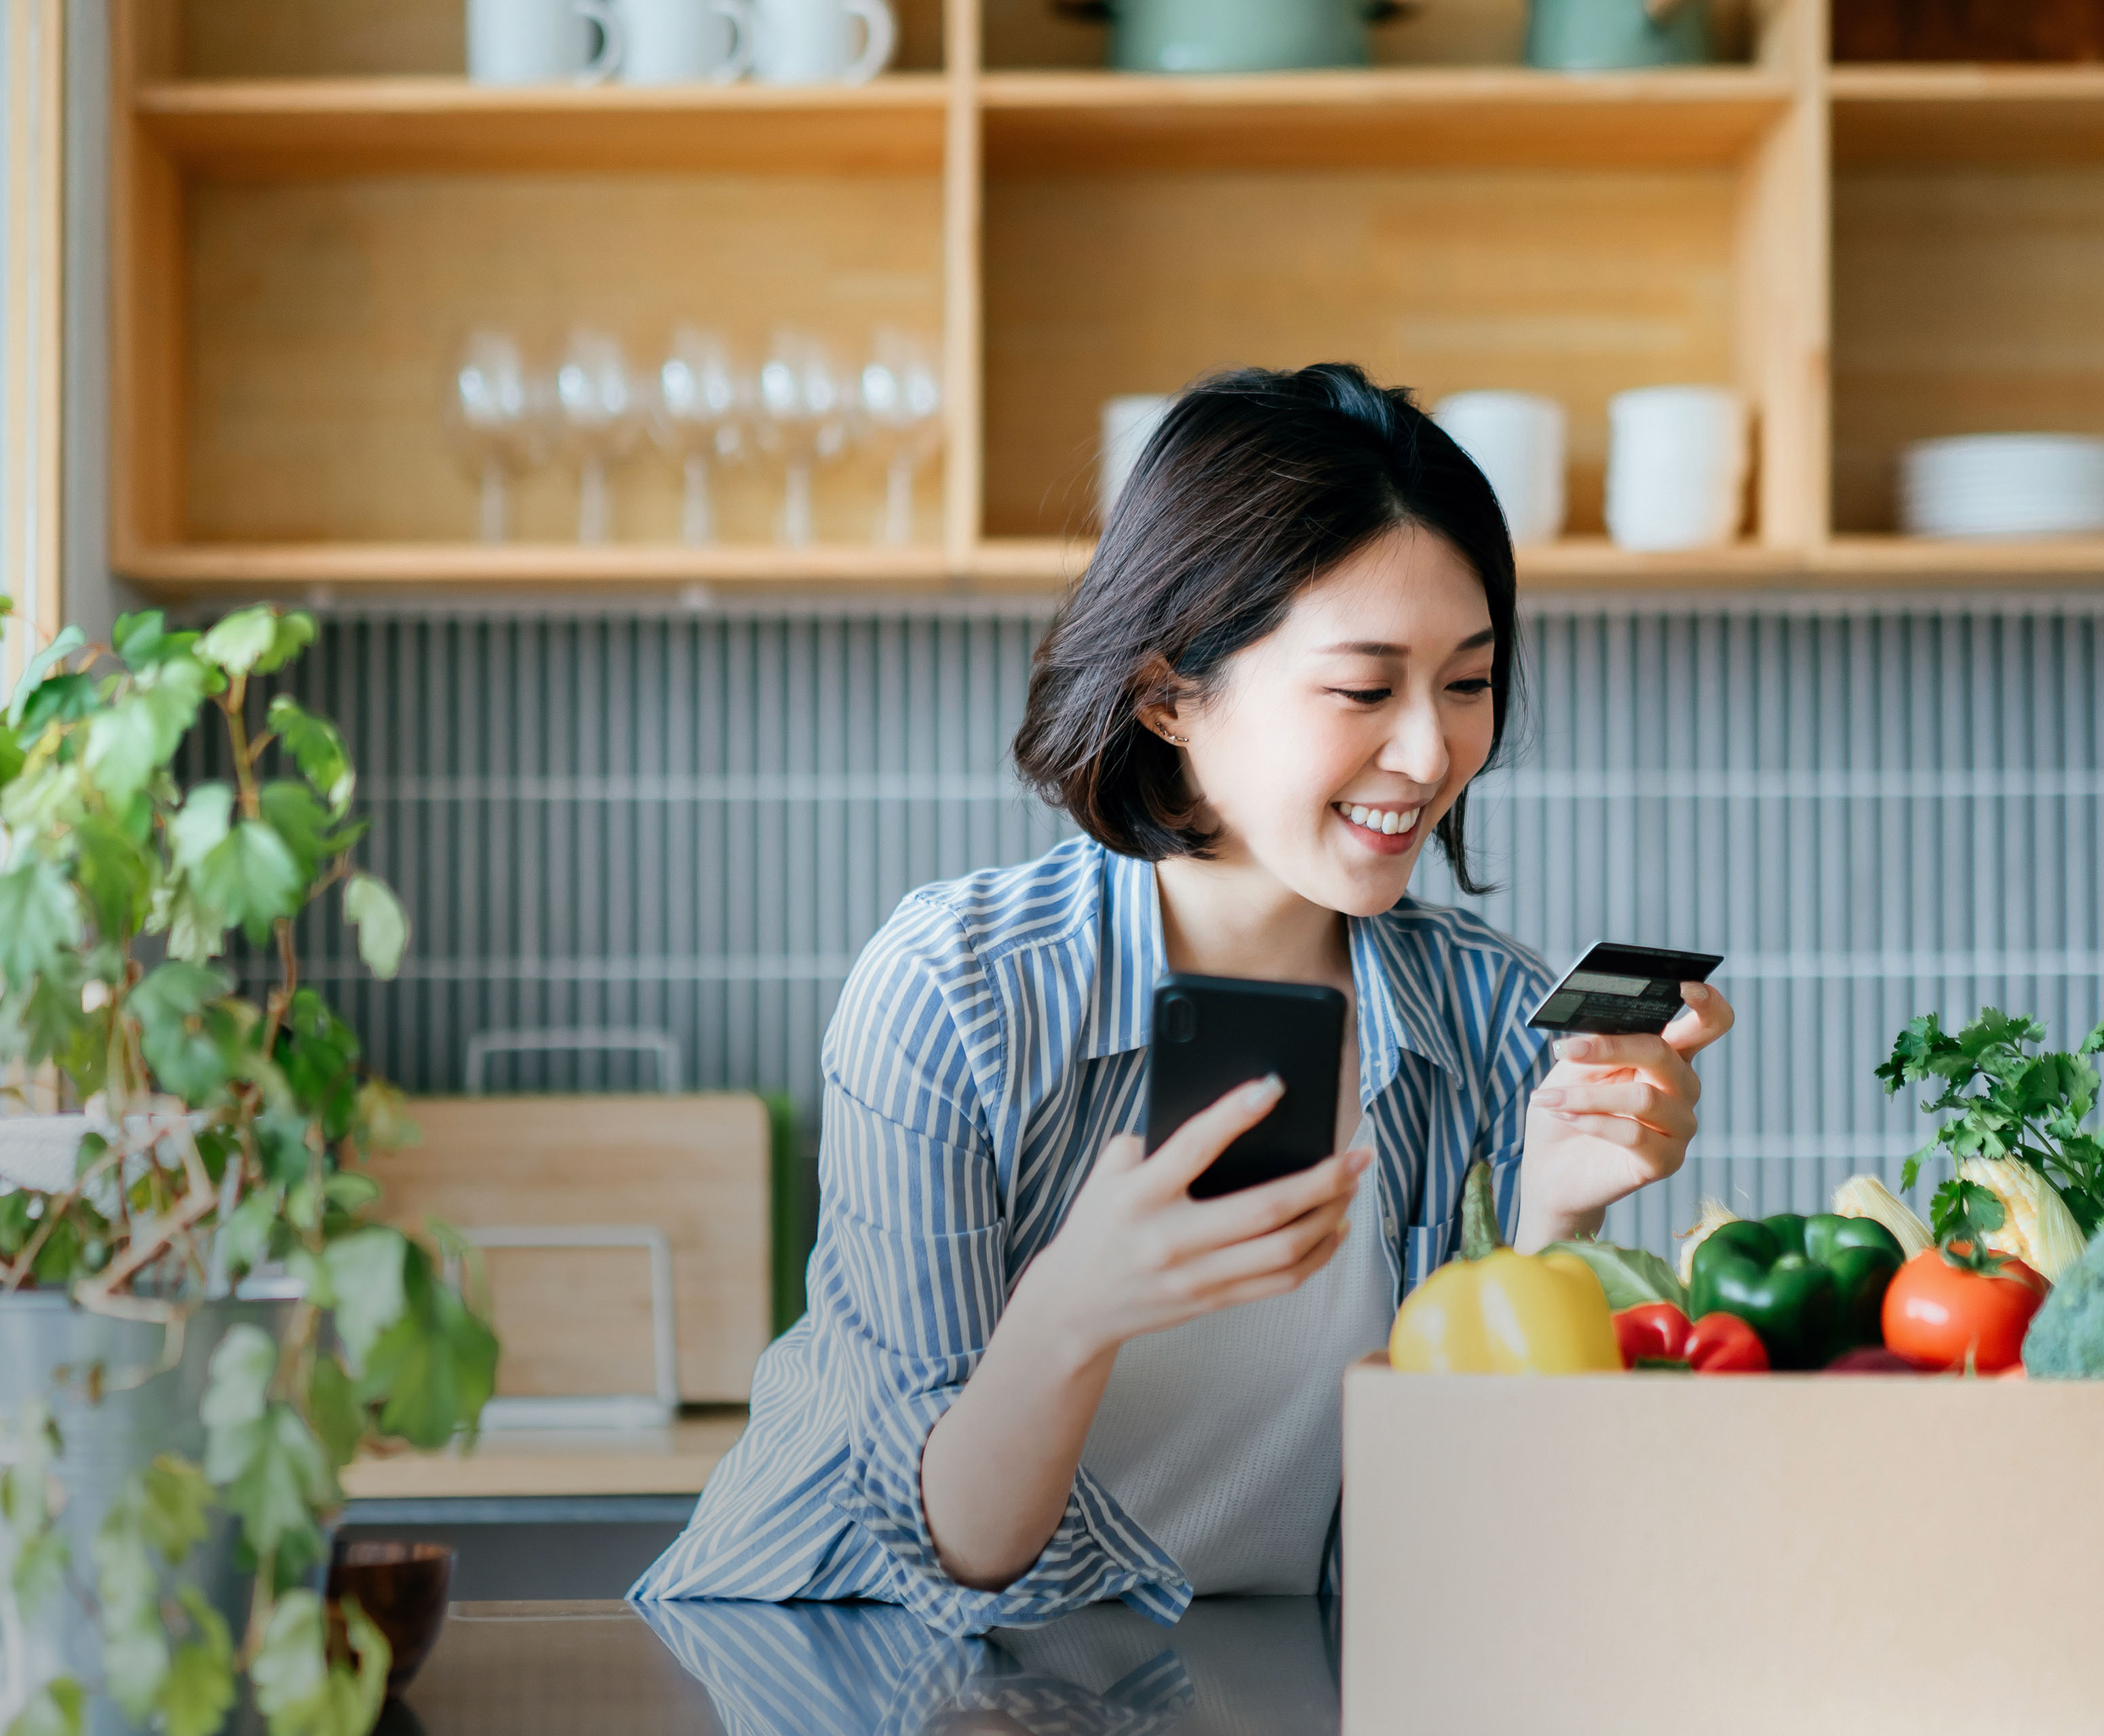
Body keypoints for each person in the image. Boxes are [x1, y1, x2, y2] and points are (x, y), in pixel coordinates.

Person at [633, 362, 1734, 1636]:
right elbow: (954, 1554)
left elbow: (1468, 1548)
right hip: (837, 1663)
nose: (1432, 752)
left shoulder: (1493, 1022)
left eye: (1468, 682)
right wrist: (1077, 1304)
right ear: (1169, 696)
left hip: (1244, 1684)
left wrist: (1553, 1225)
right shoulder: (957, 994)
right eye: (1365, 688)